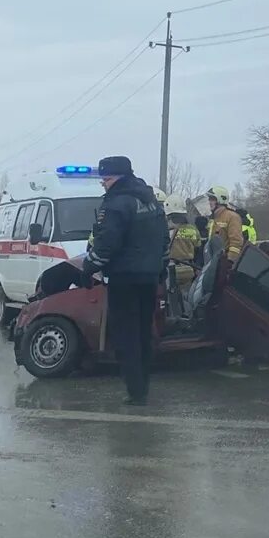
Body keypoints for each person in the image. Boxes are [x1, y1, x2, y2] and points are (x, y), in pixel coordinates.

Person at [82, 156, 168, 406]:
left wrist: (89, 268)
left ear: (117, 177)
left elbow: (108, 242)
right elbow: (164, 238)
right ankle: (143, 385)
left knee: (126, 335)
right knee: (143, 331)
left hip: (124, 278)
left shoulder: (117, 204)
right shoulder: (150, 201)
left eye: (106, 179)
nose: (104, 185)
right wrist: (159, 266)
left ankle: (135, 391)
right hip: (149, 277)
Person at [164, 194, 201, 296]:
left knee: (170, 301)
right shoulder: (193, 229)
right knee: (185, 302)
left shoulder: (166, 230)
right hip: (189, 270)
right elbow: (198, 248)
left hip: (170, 271)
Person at [206, 186, 243, 263]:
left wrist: (229, 261)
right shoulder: (212, 219)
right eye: (209, 199)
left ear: (220, 200)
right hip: (213, 262)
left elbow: (236, 243)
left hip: (224, 263)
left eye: (212, 199)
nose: (209, 202)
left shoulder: (232, 217)